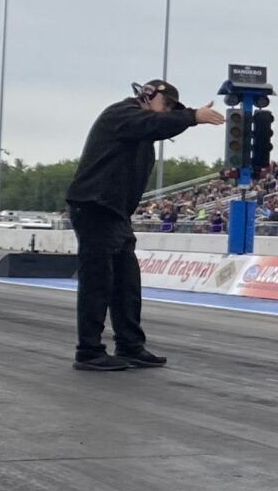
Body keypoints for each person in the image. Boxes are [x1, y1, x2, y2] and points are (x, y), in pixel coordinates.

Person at [65, 79, 221, 372]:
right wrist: (192, 117)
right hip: (94, 207)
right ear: (148, 97)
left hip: (114, 212)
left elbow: (158, 122)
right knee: (98, 282)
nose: (168, 114)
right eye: (167, 106)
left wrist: (190, 116)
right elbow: (152, 123)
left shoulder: (142, 123)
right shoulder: (122, 114)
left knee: (126, 283)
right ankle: (88, 350)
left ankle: (130, 345)